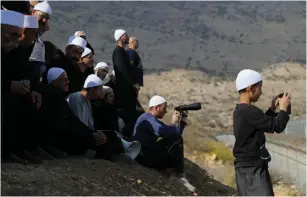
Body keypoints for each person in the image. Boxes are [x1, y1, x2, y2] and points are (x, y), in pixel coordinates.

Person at [233, 69, 291, 196]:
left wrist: (271, 109)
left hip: (247, 170)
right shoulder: (250, 111)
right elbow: (277, 126)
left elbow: (261, 124)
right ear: (251, 88)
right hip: (252, 171)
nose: (261, 92)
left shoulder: (241, 110)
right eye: (260, 88)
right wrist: (283, 109)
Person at [66, 74, 125, 160]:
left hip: (86, 134)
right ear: (93, 90)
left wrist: (98, 134)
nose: (101, 92)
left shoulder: (88, 102)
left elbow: (90, 125)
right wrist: (92, 135)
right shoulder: (75, 99)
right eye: (100, 90)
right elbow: (78, 126)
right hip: (76, 136)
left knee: (111, 136)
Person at [112, 29, 139, 138]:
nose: (127, 37)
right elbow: (123, 71)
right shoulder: (118, 52)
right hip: (124, 91)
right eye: (125, 35)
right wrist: (132, 84)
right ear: (120, 38)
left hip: (128, 91)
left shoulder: (122, 51)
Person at [30, 1, 52, 82]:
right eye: (42, 16)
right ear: (33, 12)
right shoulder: (21, 31)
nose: (44, 20)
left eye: (47, 18)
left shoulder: (40, 43)